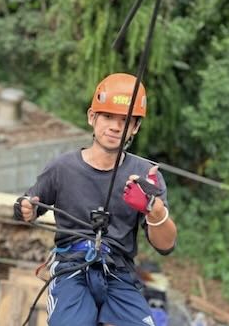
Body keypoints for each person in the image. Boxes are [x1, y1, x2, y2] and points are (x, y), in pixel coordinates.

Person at [16, 73, 177, 325]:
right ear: (92, 117)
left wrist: (152, 208)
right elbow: (29, 204)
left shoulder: (145, 177)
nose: (114, 126)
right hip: (72, 269)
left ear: (135, 127)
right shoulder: (63, 168)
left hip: (118, 273)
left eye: (125, 121)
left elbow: (166, 245)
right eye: (108, 116)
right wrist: (25, 209)